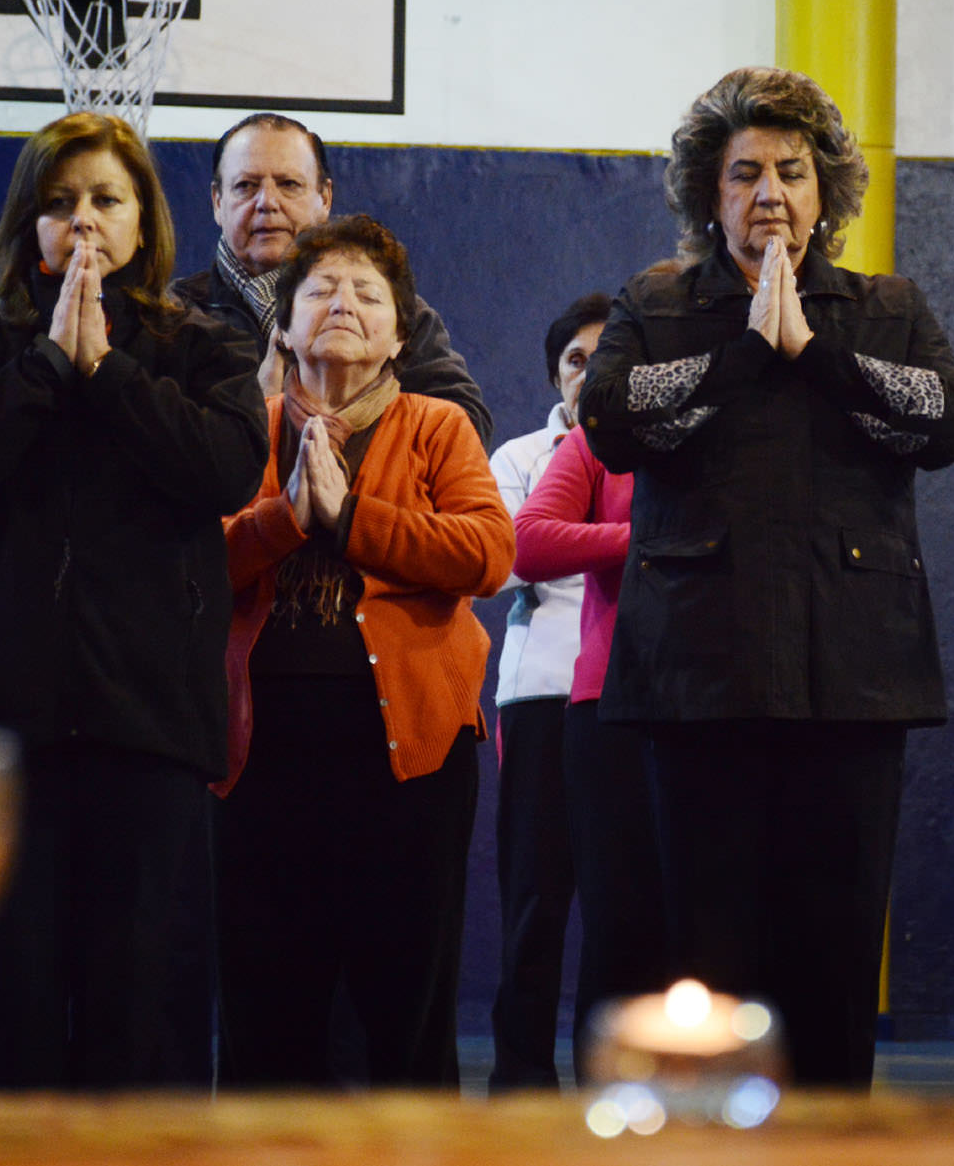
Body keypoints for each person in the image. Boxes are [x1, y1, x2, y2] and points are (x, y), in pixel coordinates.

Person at [578, 66, 954, 1087]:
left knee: (837, 968)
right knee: (706, 970)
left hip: (855, 685)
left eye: (791, 173)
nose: (769, 194)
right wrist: (749, 353)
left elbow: (945, 421)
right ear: (707, 196)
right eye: (744, 173)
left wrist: (815, 353)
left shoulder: (884, 307)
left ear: (825, 192)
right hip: (695, 688)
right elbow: (614, 420)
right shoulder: (655, 302)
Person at [0, 112, 267, 1090]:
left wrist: (107, 370)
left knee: (146, 1004)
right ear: (28, 223)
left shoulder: (203, 345)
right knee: (14, 996)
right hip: (7, 729)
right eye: (59, 203)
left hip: (152, 720)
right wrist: (48, 364)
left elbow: (226, 468)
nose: (82, 221)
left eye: (106, 199)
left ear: (144, 220)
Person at [217, 214, 513, 1088]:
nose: (341, 303)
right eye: (319, 289)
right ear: (283, 324)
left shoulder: (436, 426)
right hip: (257, 758)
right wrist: (288, 519)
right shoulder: (242, 425)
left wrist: (349, 521)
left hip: (409, 762)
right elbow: (193, 562)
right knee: (263, 1014)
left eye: (366, 293)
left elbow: (486, 554)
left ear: (397, 334)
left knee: (405, 1016)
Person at [511, 411, 667, 1082]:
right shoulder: (599, 436)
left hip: (730, 703)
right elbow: (527, 542)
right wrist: (648, 538)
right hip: (611, 702)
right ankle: (607, 1122)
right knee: (619, 937)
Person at [172, 113, 490, 441]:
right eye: (246, 186)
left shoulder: (383, 311)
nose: (267, 202)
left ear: (324, 198)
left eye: (288, 184)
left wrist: (341, 435)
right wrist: (264, 412)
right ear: (217, 201)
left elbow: (467, 427)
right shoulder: (171, 318)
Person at [486, 290, 611, 1091]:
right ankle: (520, 1081)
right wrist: (622, 546)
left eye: (608, 358)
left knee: (615, 906)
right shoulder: (517, 458)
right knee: (534, 903)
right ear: (554, 376)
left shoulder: (646, 454)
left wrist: (566, 540)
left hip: (619, 700)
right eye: (575, 360)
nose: (590, 374)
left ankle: (609, 1079)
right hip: (535, 698)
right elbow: (504, 562)